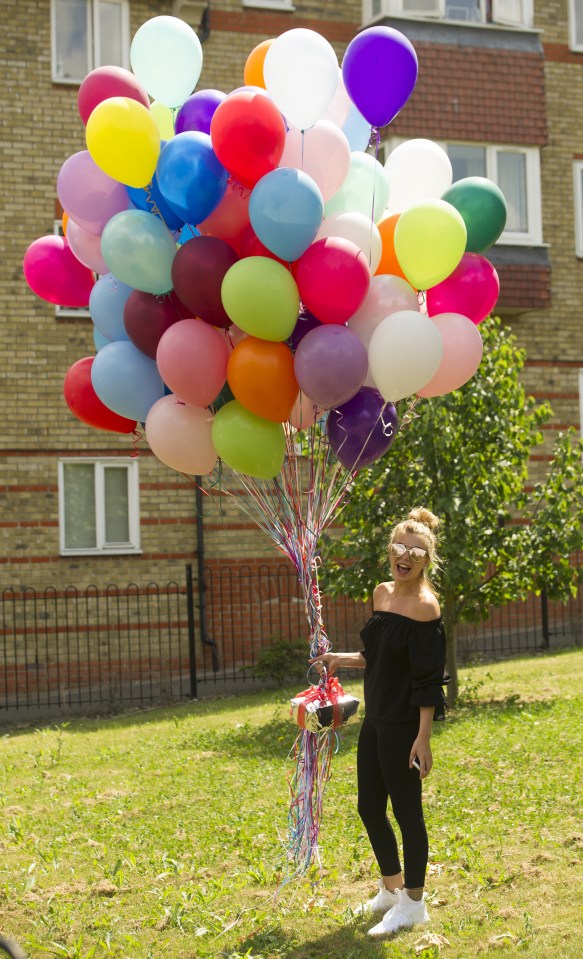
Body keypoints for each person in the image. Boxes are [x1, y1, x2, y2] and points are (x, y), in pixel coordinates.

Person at [310, 506, 448, 938]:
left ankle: (414, 903)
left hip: (405, 725)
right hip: (375, 720)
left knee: (408, 814)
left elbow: (427, 682)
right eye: (399, 548)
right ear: (390, 551)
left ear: (427, 559)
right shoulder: (381, 592)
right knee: (369, 807)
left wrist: (423, 739)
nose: (405, 557)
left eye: (416, 551)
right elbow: (376, 657)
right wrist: (339, 659)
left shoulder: (427, 608)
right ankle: (391, 890)